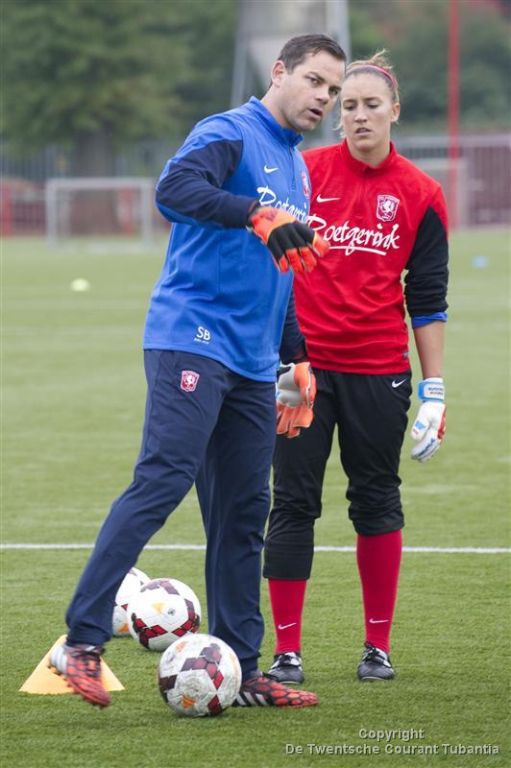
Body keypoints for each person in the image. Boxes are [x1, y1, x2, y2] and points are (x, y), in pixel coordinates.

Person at [48, 34, 346, 709]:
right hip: (191, 336)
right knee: (164, 478)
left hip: (250, 359)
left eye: (331, 90)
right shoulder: (229, 132)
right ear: (279, 73)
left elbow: (282, 269)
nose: (323, 99)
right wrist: (254, 213)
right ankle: (82, 640)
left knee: (244, 513)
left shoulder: (298, 170)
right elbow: (174, 188)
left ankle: (243, 668)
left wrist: (295, 356)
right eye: (315, 82)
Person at [264, 51, 449, 684]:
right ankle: (287, 652)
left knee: (376, 500)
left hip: (379, 373)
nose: (359, 115)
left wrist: (435, 391)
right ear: (337, 116)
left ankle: (378, 647)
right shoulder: (303, 172)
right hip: (300, 372)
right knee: (291, 503)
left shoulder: (422, 194)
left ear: (395, 111)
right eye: (348, 105)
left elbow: (427, 301)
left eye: (372, 105)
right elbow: (266, 262)